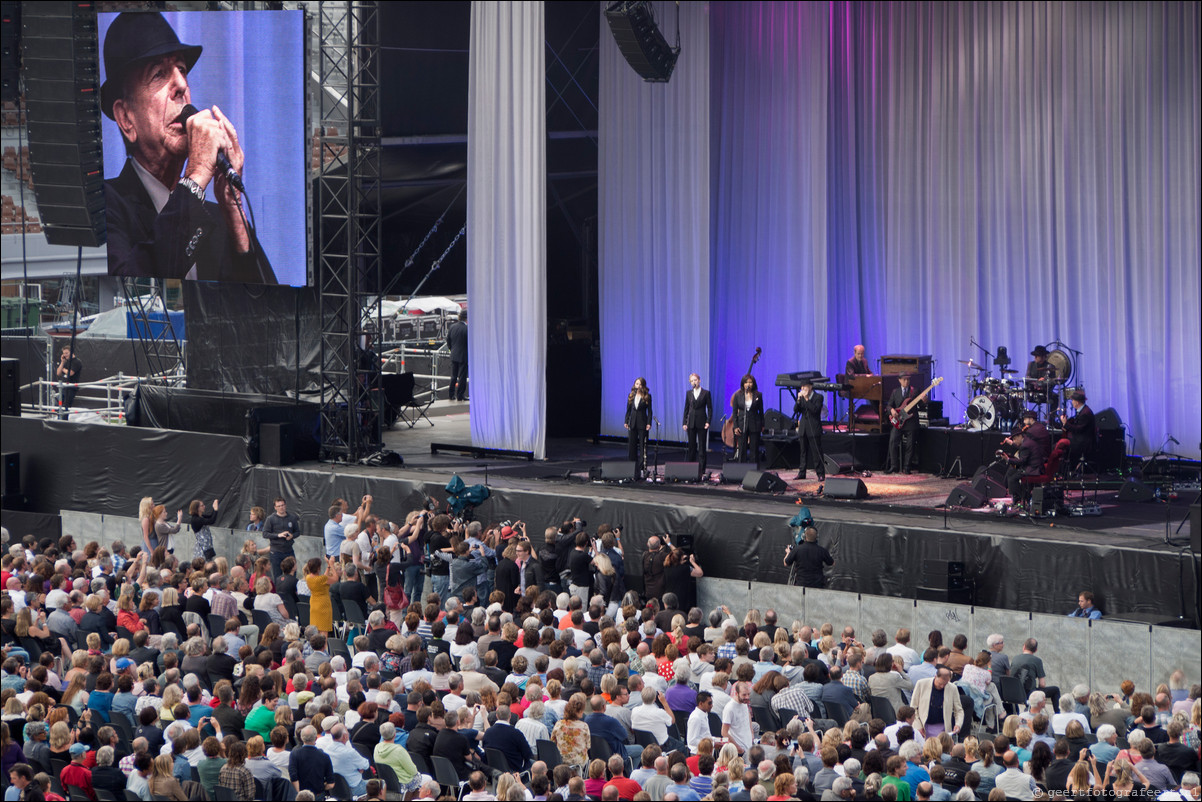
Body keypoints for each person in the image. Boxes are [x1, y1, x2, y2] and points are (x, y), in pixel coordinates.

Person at [100, 11, 275, 284]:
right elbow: (135, 289)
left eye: (181, 70)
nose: (181, 85)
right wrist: (197, 176)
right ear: (126, 118)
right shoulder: (104, 208)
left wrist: (234, 211)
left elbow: (267, 309)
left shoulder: (219, 219)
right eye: (158, 74)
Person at [886, 374, 924, 474]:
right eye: (904, 380)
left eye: (908, 379)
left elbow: (922, 406)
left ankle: (907, 467)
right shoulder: (895, 392)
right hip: (899, 420)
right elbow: (889, 405)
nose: (906, 382)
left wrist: (924, 401)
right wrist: (892, 411)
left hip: (911, 421)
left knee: (910, 444)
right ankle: (894, 466)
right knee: (893, 441)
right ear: (899, 380)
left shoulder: (915, 391)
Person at [793, 378, 826, 482]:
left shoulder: (818, 397)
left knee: (816, 452)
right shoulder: (801, 397)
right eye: (802, 387)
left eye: (805, 387)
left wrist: (807, 399)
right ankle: (801, 473)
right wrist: (798, 400)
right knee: (803, 452)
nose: (803, 389)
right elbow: (795, 410)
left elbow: (815, 411)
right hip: (803, 428)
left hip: (814, 427)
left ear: (810, 387)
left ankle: (820, 474)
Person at [682, 373, 713, 473]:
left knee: (702, 447)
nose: (694, 382)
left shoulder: (706, 393)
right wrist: (684, 422)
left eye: (695, 380)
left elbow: (710, 408)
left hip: (702, 422)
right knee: (692, 446)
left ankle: (702, 469)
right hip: (691, 422)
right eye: (692, 381)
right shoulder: (689, 394)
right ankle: (691, 468)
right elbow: (686, 409)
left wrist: (708, 421)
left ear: (699, 380)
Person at [731, 374, 764, 464]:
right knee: (742, 449)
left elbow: (761, 411)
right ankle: (742, 470)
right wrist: (735, 426)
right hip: (742, 424)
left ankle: (754, 471)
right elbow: (734, 413)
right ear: (743, 384)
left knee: (754, 449)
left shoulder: (758, 395)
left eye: (750, 382)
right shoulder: (738, 395)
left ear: (753, 384)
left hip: (755, 423)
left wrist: (762, 424)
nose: (748, 384)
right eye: (746, 382)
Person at [262, 497, 299, 578]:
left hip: (289, 551)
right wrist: (278, 535)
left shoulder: (292, 518)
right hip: (276, 552)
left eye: (282, 505)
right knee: (277, 575)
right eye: (279, 506)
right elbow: (265, 534)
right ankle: (278, 590)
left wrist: (292, 536)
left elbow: (297, 532)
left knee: (292, 574)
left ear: (285, 505)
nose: (281, 507)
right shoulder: (270, 519)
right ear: (275, 507)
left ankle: (291, 589)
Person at [1059, 391, 1096, 470]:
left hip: (1084, 442)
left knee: (1061, 445)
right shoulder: (1083, 411)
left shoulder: (1085, 413)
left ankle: (1066, 469)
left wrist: (1065, 424)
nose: (1072, 402)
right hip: (1081, 438)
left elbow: (1078, 429)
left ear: (1077, 402)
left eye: (1072, 401)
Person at [304, 557, 340, 635]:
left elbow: (323, 578)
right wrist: (332, 565)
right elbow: (335, 578)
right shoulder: (322, 579)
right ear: (318, 568)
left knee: (315, 630)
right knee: (324, 630)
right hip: (323, 605)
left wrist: (328, 566)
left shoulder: (308, 578)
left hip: (314, 604)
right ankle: (323, 646)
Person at [624, 377, 652, 475]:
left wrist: (649, 423)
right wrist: (626, 421)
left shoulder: (647, 396)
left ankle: (642, 468)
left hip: (642, 423)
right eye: (636, 384)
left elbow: (650, 412)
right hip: (633, 423)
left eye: (640, 384)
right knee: (632, 445)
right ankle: (632, 466)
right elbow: (628, 410)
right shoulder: (631, 395)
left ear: (643, 386)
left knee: (643, 445)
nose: (638, 386)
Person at [1025, 346, 1058, 413]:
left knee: (1056, 397)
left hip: (1045, 391)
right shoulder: (1031, 364)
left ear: (1043, 357)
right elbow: (1027, 378)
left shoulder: (1050, 366)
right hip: (1032, 390)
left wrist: (1043, 383)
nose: (1035, 357)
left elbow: (1053, 382)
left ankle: (1052, 418)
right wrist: (1036, 384)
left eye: (1037, 356)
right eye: (1035, 356)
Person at [446, 311, 468, 402]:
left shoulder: (452, 327)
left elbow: (448, 341)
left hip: (454, 355)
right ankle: (460, 395)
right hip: (463, 356)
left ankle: (451, 395)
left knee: (453, 376)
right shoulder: (467, 329)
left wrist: (452, 350)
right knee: (462, 377)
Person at [56, 345, 82, 414]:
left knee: (66, 407)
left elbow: (70, 373)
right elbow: (58, 373)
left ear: (72, 352)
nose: (65, 355)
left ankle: (63, 421)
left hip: (71, 387)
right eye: (64, 353)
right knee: (58, 405)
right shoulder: (65, 361)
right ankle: (59, 420)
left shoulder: (77, 362)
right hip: (64, 387)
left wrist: (63, 369)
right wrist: (62, 362)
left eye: (66, 353)